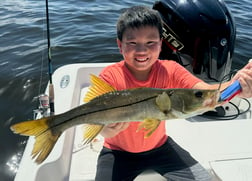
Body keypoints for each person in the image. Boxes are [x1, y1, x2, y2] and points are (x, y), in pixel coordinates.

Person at [94, 5, 252, 181]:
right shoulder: (110, 76)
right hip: (117, 152)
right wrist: (107, 130)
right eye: (132, 43)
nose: (142, 50)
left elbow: (204, 92)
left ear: (161, 44)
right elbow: (100, 124)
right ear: (119, 45)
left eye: (150, 42)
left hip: (161, 148)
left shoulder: (170, 69)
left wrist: (236, 86)